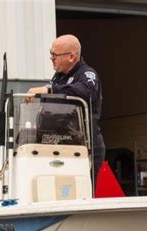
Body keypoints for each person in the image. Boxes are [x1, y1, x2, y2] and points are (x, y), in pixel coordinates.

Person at [27, 34, 105, 182]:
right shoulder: (58, 77)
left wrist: (50, 91)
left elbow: (86, 91)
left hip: (83, 147)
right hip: (59, 144)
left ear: (71, 57)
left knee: (81, 190)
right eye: (51, 53)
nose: (52, 58)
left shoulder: (87, 74)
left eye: (55, 54)